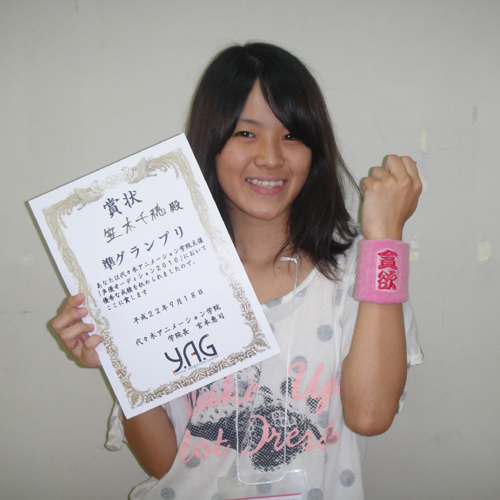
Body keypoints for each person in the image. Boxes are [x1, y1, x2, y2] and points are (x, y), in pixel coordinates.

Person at [51, 42, 423, 499]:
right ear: (211, 143)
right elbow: (167, 464)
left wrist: (385, 239)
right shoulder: (161, 278)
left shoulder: (361, 275)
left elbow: (370, 415)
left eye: (292, 135)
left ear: (315, 150)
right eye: (246, 133)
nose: (270, 157)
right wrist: (116, 360)